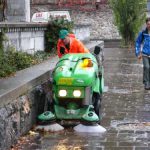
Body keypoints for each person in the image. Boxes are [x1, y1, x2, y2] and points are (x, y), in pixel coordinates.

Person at [135, 18, 150, 90]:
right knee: (147, 67)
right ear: (146, 24)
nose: (149, 25)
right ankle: (147, 83)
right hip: (145, 54)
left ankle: (146, 81)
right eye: (148, 24)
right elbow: (138, 42)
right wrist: (138, 53)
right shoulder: (143, 33)